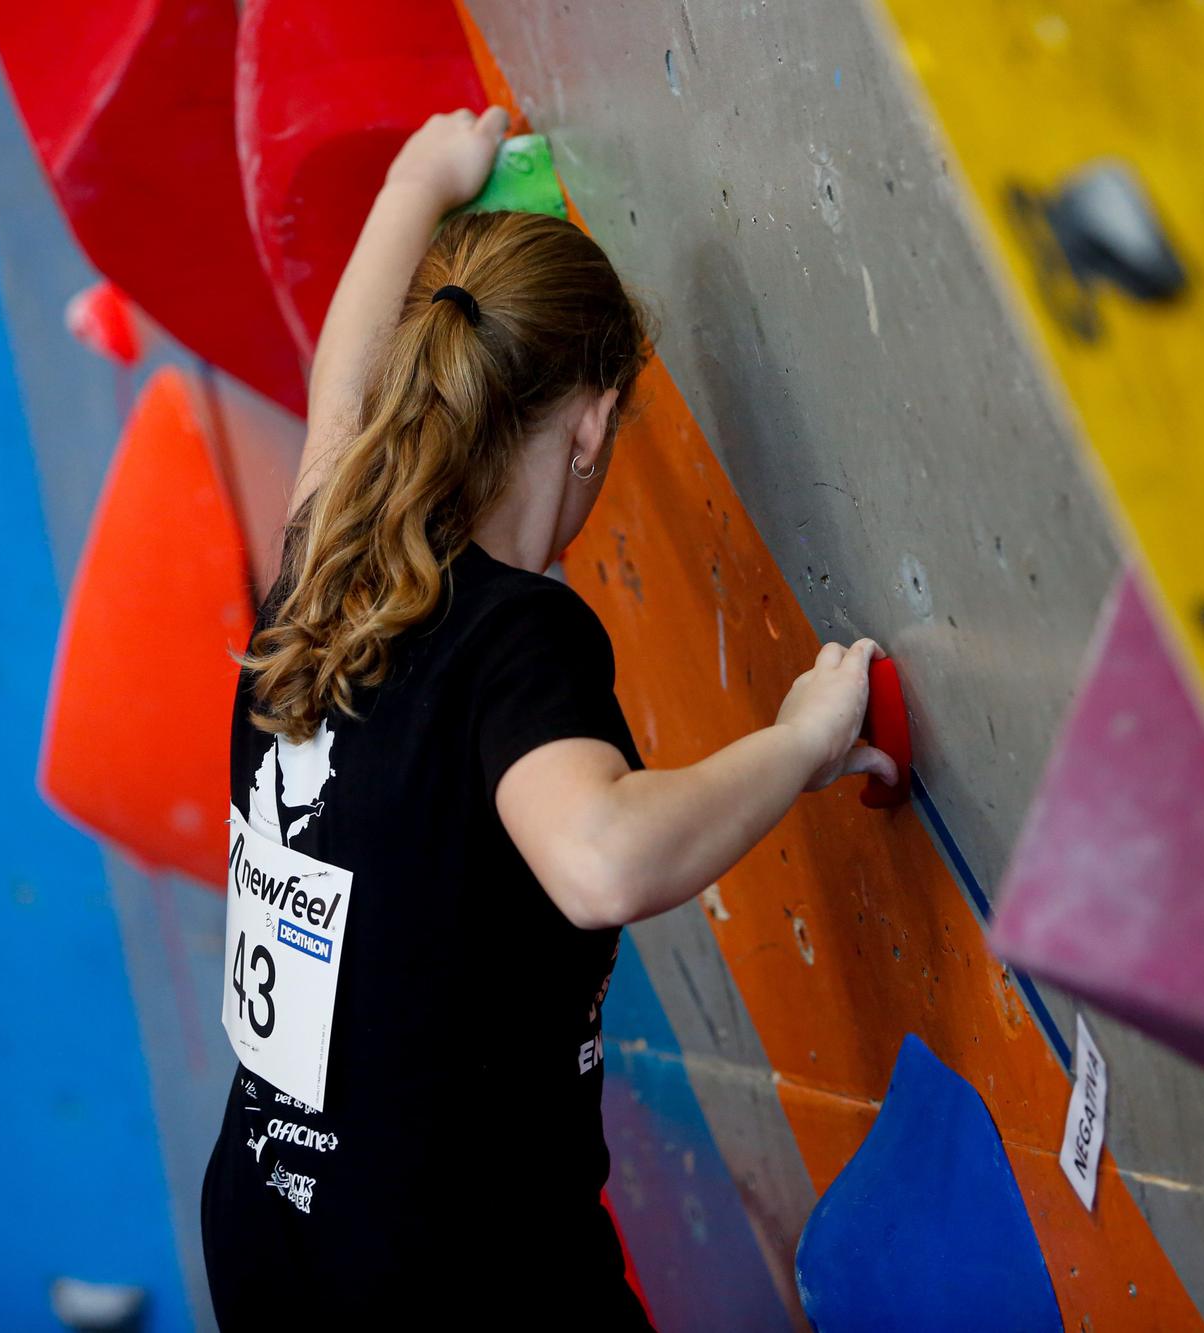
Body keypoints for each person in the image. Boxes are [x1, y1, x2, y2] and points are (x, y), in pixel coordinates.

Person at [200, 105, 896, 1329]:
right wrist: (798, 741)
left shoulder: (326, 560)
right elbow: (600, 856)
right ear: (588, 425)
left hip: (273, 1232)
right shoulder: (513, 636)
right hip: (460, 1276)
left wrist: (420, 177)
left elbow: (339, 393)